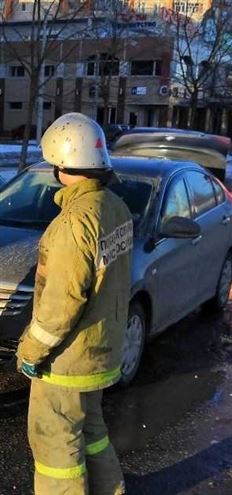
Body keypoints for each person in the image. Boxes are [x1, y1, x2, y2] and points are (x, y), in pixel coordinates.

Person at [16, 112, 133, 495]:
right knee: (91, 430)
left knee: (55, 443)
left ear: (62, 164)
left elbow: (60, 305)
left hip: (67, 360)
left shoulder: (73, 223)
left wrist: (31, 351)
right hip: (101, 350)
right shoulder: (113, 206)